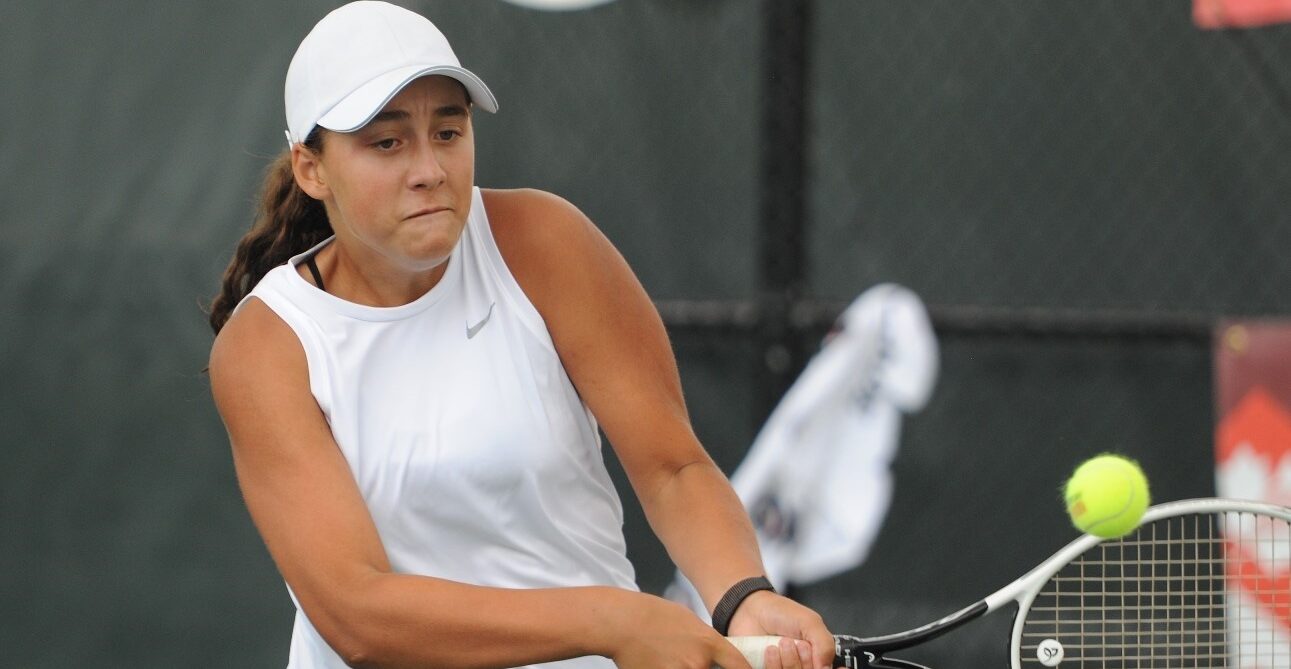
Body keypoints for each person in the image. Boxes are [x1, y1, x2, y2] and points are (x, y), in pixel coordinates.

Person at [207, 3, 836, 668]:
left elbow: (672, 467)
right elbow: (359, 612)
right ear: (311, 168)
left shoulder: (546, 242)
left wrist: (742, 595)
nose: (428, 168)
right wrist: (612, 621)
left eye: (447, 132)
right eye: (387, 142)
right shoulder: (266, 348)